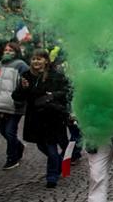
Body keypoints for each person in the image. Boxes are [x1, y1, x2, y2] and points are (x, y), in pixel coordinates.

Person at [11, 49, 71, 188]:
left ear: (46, 61)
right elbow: (17, 97)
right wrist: (22, 88)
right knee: (40, 145)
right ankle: (60, 163)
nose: (36, 61)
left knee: (51, 146)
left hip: (52, 116)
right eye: (33, 59)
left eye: (39, 59)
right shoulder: (26, 76)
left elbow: (67, 91)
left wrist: (52, 95)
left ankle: (52, 176)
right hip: (35, 117)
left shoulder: (55, 75)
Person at [0, 42, 29, 170]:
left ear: (16, 52)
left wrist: (20, 100)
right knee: (3, 132)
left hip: (14, 105)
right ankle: (18, 147)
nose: (8, 52)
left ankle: (12, 159)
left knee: (10, 132)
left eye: (11, 50)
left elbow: (27, 84)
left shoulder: (21, 65)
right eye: (6, 49)